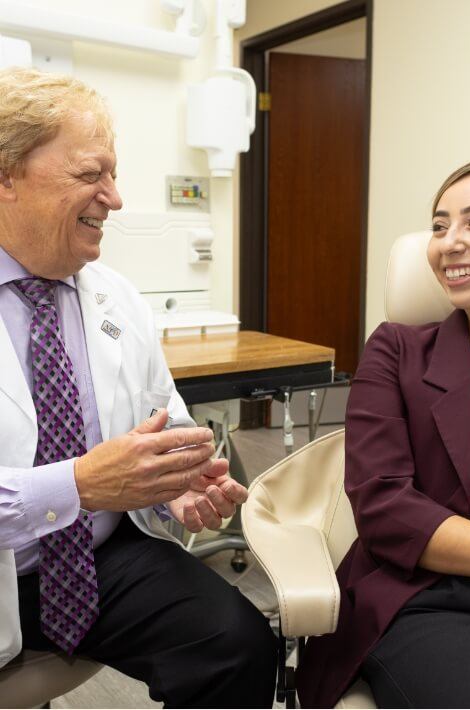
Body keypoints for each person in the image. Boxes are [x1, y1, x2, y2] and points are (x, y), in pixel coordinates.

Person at [0, 68, 276, 708]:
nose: (114, 198)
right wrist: (77, 485)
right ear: (7, 174)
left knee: (238, 646)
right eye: (90, 174)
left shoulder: (117, 297)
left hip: (97, 556)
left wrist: (173, 483)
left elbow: (165, 416)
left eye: (114, 175)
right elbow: (87, 478)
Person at [296, 154, 470, 708]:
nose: (448, 242)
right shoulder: (397, 350)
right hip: (441, 589)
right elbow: (383, 507)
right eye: (440, 225)